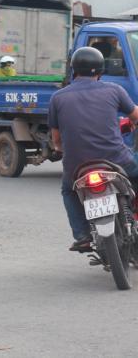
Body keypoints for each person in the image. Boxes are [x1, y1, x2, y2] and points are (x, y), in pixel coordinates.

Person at [49, 46, 138, 252]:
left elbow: (56, 139)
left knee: (68, 191)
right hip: (117, 160)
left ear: (73, 70)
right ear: (100, 70)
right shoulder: (114, 90)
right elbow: (135, 116)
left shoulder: (58, 98)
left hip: (77, 166)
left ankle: (82, 235)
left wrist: (60, 149)